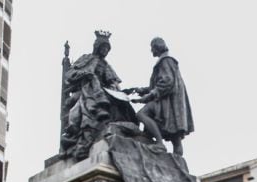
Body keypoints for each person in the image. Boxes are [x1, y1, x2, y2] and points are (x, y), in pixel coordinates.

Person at [61, 30, 135, 161]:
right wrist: (85, 74)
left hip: (104, 92)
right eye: (103, 47)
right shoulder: (86, 59)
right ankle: (93, 123)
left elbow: (112, 81)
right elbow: (70, 75)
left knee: (121, 102)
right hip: (85, 89)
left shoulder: (106, 65)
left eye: (107, 49)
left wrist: (120, 91)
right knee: (91, 92)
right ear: (98, 46)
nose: (105, 51)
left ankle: (123, 126)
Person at [127, 37, 194, 156]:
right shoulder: (168, 61)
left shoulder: (165, 61)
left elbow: (167, 82)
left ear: (157, 47)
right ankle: (177, 163)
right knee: (176, 139)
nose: (151, 51)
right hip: (173, 102)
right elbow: (160, 83)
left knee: (141, 114)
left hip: (166, 101)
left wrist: (148, 97)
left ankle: (159, 144)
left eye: (152, 48)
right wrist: (142, 90)